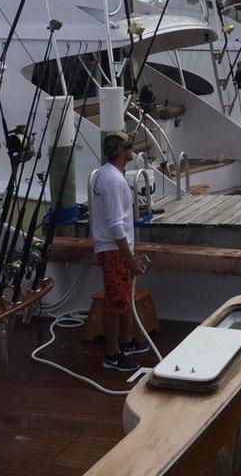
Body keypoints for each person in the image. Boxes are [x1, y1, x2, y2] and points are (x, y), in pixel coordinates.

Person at [91, 131, 150, 372]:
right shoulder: (113, 181)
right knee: (115, 301)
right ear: (121, 151)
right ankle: (112, 354)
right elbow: (116, 224)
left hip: (116, 249)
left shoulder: (110, 175)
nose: (132, 149)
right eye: (129, 146)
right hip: (113, 250)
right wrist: (130, 259)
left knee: (123, 298)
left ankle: (125, 342)